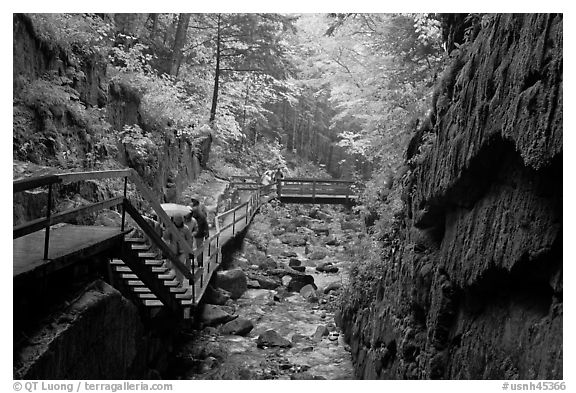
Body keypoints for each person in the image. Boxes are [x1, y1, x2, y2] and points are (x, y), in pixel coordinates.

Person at [162, 213, 194, 286]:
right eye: (177, 219)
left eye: (179, 219)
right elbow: (165, 237)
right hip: (173, 250)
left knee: (180, 266)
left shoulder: (186, 228)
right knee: (175, 267)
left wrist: (189, 250)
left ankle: (180, 282)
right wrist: (168, 230)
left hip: (182, 251)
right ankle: (178, 280)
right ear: (174, 220)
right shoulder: (171, 228)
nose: (178, 221)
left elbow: (189, 239)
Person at [189, 198, 209, 267]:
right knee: (196, 248)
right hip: (196, 234)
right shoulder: (199, 212)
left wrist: (206, 233)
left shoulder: (198, 213)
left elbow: (205, 224)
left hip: (198, 234)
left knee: (197, 248)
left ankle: (198, 262)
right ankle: (197, 262)